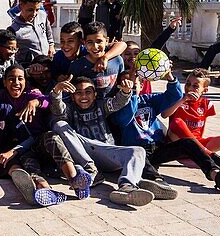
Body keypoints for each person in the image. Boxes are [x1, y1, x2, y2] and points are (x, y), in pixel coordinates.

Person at [112, 68, 220, 194]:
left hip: (157, 148)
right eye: (127, 83)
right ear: (119, 87)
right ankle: (156, 182)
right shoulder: (116, 107)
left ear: (142, 85)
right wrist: (128, 94)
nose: (132, 84)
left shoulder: (148, 100)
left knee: (188, 143)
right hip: (137, 150)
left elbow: (173, 96)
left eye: (135, 82)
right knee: (139, 157)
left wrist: (170, 76)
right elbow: (126, 116)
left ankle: (217, 175)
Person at [49, 77, 159, 206]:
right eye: (78, 93)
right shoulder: (70, 109)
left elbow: (118, 102)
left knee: (138, 151)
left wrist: (126, 91)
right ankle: (90, 170)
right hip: (85, 151)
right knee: (59, 124)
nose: (83, 96)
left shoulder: (102, 105)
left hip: (106, 152)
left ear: (95, 95)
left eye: (88, 92)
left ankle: (127, 186)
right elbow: (57, 109)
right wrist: (57, 91)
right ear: (73, 96)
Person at [0, 65, 71, 207]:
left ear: (26, 81)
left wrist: (35, 102)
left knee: (52, 138)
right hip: (22, 149)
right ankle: (44, 189)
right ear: (5, 82)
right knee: (29, 164)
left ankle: (75, 179)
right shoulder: (1, 96)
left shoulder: (30, 95)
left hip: (39, 144)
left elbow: (48, 100)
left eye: (20, 79)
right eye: (11, 79)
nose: (16, 83)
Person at [67, 22, 125, 98]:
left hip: (114, 106)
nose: (95, 47)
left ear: (106, 41)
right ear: (84, 43)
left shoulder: (117, 60)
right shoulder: (77, 66)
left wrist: (105, 58)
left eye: (99, 41)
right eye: (90, 42)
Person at [8, 0, 56, 66]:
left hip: (47, 63)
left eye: (37, 10)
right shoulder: (14, 29)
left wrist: (51, 46)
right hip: (30, 69)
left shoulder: (42, 15)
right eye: (30, 10)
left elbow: (48, 33)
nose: (34, 14)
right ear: (21, 6)